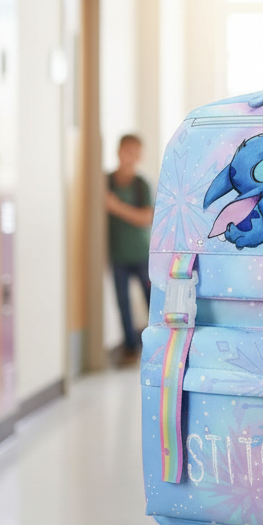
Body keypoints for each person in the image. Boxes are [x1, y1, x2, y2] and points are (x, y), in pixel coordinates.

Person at [105, 133, 154, 366]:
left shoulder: (140, 185)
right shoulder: (107, 182)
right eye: (127, 151)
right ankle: (129, 350)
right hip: (117, 256)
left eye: (136, 153)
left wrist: (115, 207)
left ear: (140, 156)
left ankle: (157, 348)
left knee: (152, 303)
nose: (131, 157)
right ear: (118, 152)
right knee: (122, 305)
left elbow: (146, 218)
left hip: (141, 255)